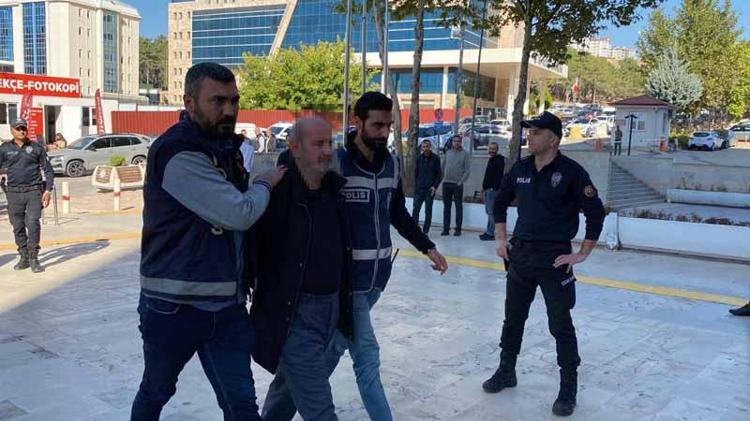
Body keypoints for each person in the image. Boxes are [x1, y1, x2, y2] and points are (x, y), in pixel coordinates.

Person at [131, 62, 286, 421]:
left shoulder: (223, 147)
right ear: (189, 102)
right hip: (173, 307)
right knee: (156, 390)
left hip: (226, 306)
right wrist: (265, 183)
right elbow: (238, 212)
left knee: (242, 406)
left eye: (234, 100)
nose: (229, 110)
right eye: (218, 101)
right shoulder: (177, 151)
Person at [324, 92, 448, 420]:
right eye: (377, 125)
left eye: (389, 126)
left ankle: (284, 401)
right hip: (348, 283)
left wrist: (428, 247)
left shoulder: (391, 164)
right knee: (367, 357)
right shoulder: (336, 163)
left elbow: (398, 214)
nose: (384, 132)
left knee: (333, 348)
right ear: (357, 121)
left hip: (377, 280)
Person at [484, 111, 606, 417]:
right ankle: (506, 371)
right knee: (513, 319)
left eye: (536, 132)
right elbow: (500, 201)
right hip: (521, 257)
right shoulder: (521, 168)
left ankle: (568, 388)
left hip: (555, 259)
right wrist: (501, 239)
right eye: (529, 131)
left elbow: (595, 212)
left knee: (560, 324)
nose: (530, 136)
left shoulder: (572, 173)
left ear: (553, 139)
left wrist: (581, 254)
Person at [249, 118, 353, 421]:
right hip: (293, 316)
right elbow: (249, 245)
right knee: (320, 409)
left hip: (330, 311)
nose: (327, 151)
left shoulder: (334, 192)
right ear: (294, 148)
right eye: (318, 144)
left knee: (287, 389)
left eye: (329, 143)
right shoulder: (275, 195)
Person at [0, 118, 54, 273]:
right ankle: (23, 256)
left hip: (33, 192)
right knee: (17, 226)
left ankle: (33, 257)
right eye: (18, 128)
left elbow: (48, 170)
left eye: (23, 128)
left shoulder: (36, 148)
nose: (21, 131)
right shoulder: (4, 149)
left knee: (33, 223)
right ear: (12, 130)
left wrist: (48, 190)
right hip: (13, 193)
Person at [441, 135, 470, 236]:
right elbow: (442, 167)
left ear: (461, 142)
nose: (456, 143)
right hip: (446, 183)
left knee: (458, 207)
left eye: (458, 141)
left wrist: (460, 182)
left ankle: (458, 229)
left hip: (457, 185)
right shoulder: (448, 153)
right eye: (455, 141)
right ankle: (446, 229)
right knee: (446, 207)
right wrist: (442, 179)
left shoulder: (465, 154)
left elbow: (467, 171)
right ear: (452, 142)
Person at [412, 139, 442, 234]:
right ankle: (414, 230)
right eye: (424, 147)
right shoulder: (418, 158)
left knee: (428, 211)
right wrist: (417, 185)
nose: (425, 149)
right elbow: (416, 173)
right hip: (419, 189)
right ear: (421, 148)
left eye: (427, 147)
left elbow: (438, 175)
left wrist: (434, 186)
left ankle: (425, 230)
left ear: (430, 147)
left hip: (430, 190)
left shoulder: (436, 159)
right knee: (415, 210)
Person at [479, 142, 505, 241]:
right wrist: (483, 187)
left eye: (494, 149)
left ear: (497, 150)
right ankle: (488, 231)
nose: (491, 151)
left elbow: (494, 177)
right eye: (490, 149)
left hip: (492, 190)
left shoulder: (498, 161)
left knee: (491, 212)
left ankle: (490, 233)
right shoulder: (492, 160)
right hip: (489, 189)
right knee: (489, 212)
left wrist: (489, 188)